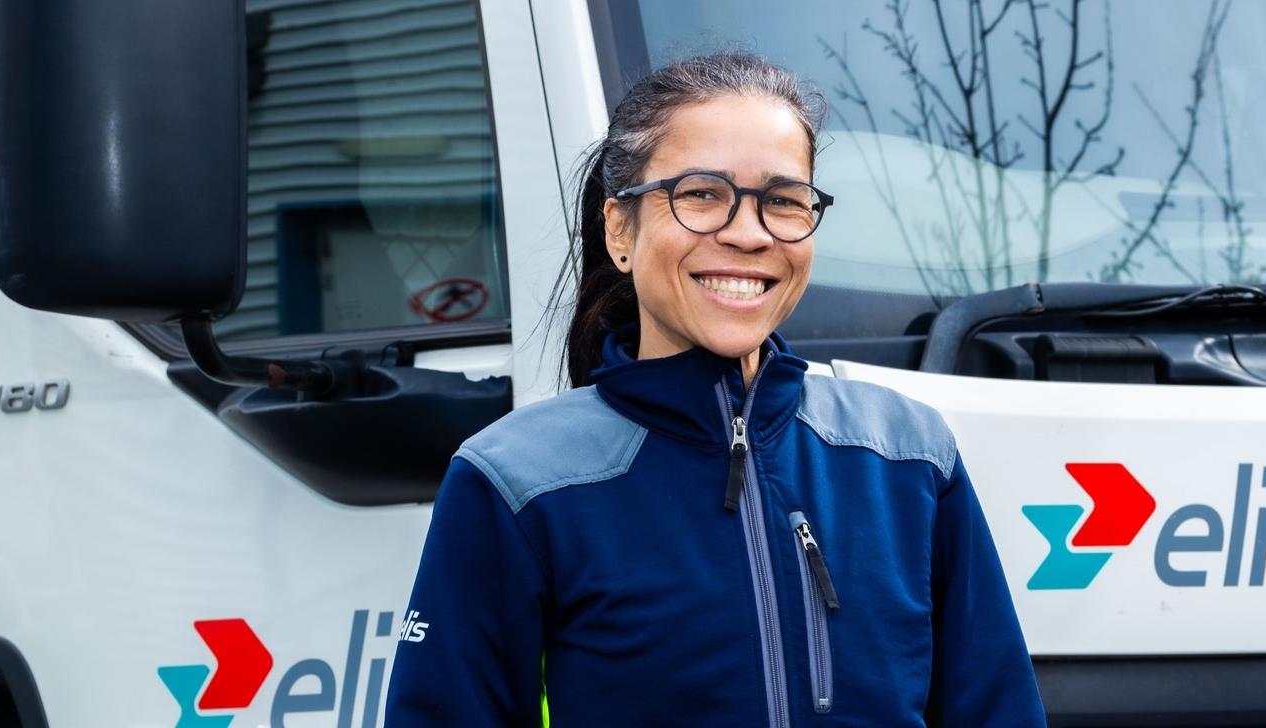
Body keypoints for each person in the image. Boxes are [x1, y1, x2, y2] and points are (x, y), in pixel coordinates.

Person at [384, 51, 1047, 727]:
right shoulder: (515, 480)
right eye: (702, 194)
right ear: (620, 229)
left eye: (783, 201)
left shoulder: (906, 456)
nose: (749, 233)